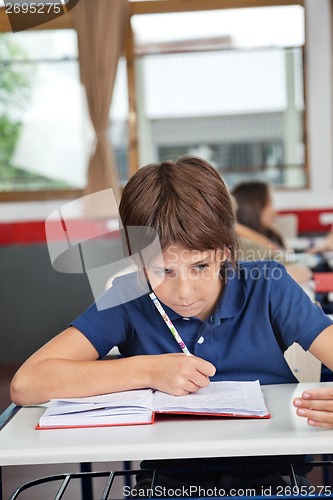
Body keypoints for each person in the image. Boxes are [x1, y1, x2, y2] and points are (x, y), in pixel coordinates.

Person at [10, 156, 333, 495]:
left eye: (200, 266)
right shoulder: (128, 297)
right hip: (170, 483)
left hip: (274, 477)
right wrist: (148, 371)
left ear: (225, 251)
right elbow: (27, 383)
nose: (184, 292)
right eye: (163, 271)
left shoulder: (269, 286)